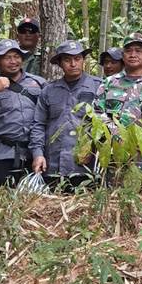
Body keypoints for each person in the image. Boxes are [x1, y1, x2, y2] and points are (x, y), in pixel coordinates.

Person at [0, 39, 46, 186]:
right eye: (7, 57)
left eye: (16, 57)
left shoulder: (39, 83)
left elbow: (48, 116)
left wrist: (40, 151)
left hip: (33, 153)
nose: (13, 61)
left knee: (34, 196)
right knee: (1, 196)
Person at [30, 40, 102, 189]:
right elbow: (38, 125)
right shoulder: (49, 90)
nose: (73, 64)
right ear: (60, 63)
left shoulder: (98, 86)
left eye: (77, 59)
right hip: (54, 165)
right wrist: (38, 154)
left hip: (87, 167)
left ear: (83, 60)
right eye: (67, 60)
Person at [95, 32, 142, 165]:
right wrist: (117, 134)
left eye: (138, 50)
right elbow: (98, 112)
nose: (133, 54)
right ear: (123, 55)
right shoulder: (109, 83)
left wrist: (140, 139)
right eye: (128, 51)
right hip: (115, 152)